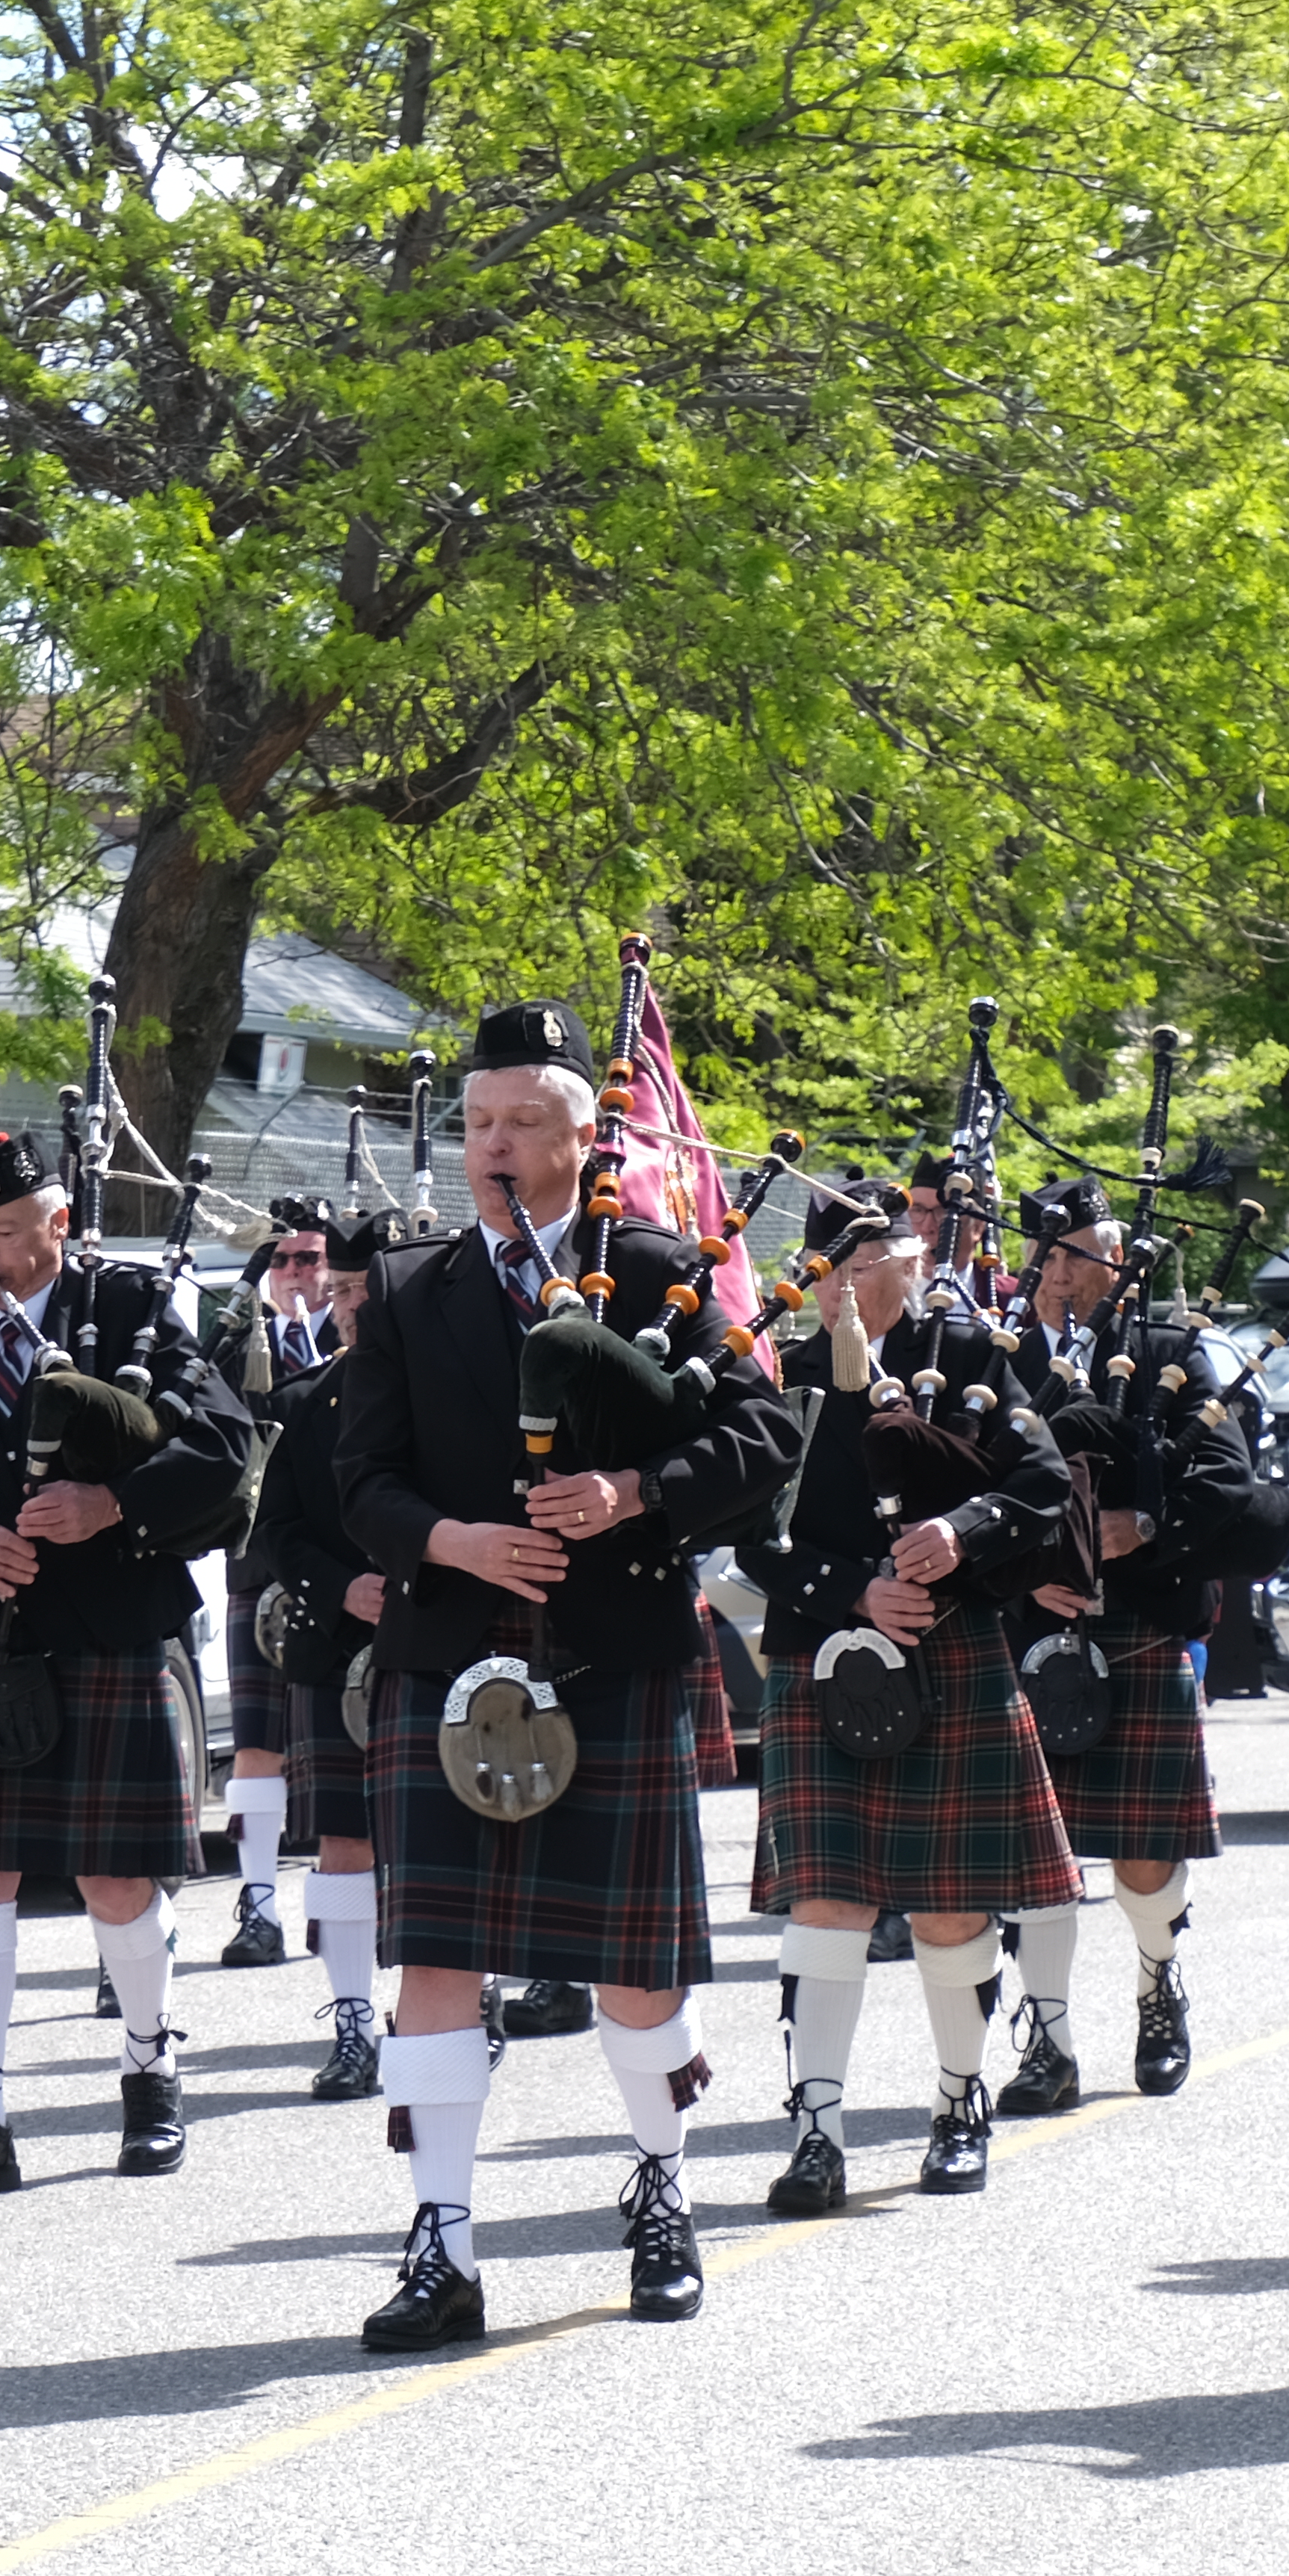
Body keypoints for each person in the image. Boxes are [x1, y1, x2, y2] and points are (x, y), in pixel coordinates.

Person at [333, 998, 797, 2347]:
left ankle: (663, 2191)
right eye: (479, 1121)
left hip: (610, 1651)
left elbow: (764, 1435)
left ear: (585, 1139)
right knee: (434, 1957)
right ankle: (443, 2244)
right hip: (448, 1652)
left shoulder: (655, 1273)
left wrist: (633, 1492)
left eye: (525, 1121)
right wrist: (454, 1542)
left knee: (635, 1970)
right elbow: (359, 1479)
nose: (494, 1143)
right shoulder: (410, 1291)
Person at [0, 1134, 258, 2200]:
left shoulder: (131, 1315)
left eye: (8, 1232)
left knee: (117, 1875)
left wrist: (112, 1505)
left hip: (107, 1628)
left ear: (60, 1223)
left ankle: (151, 2071)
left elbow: (223, 1447)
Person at [740, 1184, 1085, 2208]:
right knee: (827, 1905)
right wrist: (853, 1590)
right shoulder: (782, 1373)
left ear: (911, 1263)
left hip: (951, 1644)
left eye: (869, 1264)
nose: (849, 1287)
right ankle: (816, 2134)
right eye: (832, 1270)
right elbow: (745, 1529)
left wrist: (958, 1532)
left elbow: (1042, 1484)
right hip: (822, 1651)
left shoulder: (969, 1357)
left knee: (949, 1904)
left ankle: (958, 2104)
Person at [1007, 1177, 1275, 2111]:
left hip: (1139, 1622)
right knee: (1033, 1858)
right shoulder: (996, 1352)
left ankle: (1159, 1981)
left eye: (1078, 1253)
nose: (1060, 1273)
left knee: (1144, 1856)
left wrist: (1143, 1526)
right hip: (1030, 1629)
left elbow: (1228, 1479)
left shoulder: (1169, 1350)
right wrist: (1018, 1571)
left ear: (1118, 1258)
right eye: (1047, 1255)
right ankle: (1048, 2041)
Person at [241, 1207, 396, 2097]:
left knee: (452, 1837)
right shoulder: (306, 1401)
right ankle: (353, 2024)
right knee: (343, 1843)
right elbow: (277, 1533)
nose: (348, 1307)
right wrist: (343, 1589)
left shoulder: (456, 1394)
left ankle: (474, 1996)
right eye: (340, 1291)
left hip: (440, 1637)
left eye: (365, 1291)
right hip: (334, 1647)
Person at [211, 1204, 344, 1967]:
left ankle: (349, 1904)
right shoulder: (238, 1342)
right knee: (258, 1745)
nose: (295, 1272)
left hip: (344, 1566)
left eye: (308, 1257)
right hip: (261, 1563)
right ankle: (258, 1907)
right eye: (281, 1260)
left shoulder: (361, 1337)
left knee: (344, 1745)